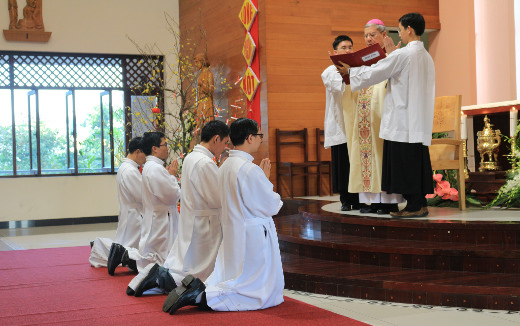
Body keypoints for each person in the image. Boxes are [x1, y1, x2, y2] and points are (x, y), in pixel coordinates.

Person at [162, 118, 284, 314]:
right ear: (250, 138)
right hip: (251, 232)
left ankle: (200, 291)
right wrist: (266, 181)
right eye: (259, 135)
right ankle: (201, 294)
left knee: (232, 274)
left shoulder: (227, 165)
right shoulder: (248, 169)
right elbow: (269, 204)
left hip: (232, 228)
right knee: (251, 286)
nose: (261, 139)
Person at [337, 12, 435, 218]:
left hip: (401, 119)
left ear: (409, 29)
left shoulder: (404, 54)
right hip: (417, 119)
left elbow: (376, 72)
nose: (400, 35)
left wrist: (350, 72)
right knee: (416, 161)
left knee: (405, 163)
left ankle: (413, 207)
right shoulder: (426, 56)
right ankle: (420, 203)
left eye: (400, 30)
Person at [126, 120, 230, 297]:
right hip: (206, 221)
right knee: (199, 270)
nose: (225, 147)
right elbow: (216, 198)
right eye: (225, 142)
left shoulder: (191, 157)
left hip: (193, 217)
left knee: (188, 262)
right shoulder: (205, 162)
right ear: (216, 139)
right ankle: (160, 277)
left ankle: (159, 276)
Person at [342, 19, 404, 215]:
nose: (368, 39)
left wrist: (392, 54)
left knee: (382, 155)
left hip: (383, 115)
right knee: (366, 156)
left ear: (384, 35)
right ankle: (370, 202)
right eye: (366, 35)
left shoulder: (393, 55)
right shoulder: (364, 58)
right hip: (365, 115)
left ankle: (388, 201)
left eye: (372, 35)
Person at [107, 131, 181, 274]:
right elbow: (172, 195)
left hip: (151, 213)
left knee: (152, 252)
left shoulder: (151, 167)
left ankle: (125, 255)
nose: (167, 148)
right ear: (155, 148)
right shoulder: (149, 168)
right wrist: (172, 177)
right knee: (156, 255)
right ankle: (125, 255)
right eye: (165, 145)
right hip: (154, 215)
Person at [89, 137, 146, 270]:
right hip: (134, 214)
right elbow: (141, 196)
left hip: (130, 212)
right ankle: (100, 246)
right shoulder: (130, 170)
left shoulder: (127, 167)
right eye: (145, 154)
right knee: (126, 250)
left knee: (124, 246)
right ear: (137, 151)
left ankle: (101, 247)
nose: (145, 158)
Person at [321, 35, 360, 211]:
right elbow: (340, 86)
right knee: (343, 164)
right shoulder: (329, 71)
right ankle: (346, 200)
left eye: (350, 47)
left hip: (357, 125)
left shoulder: (359, 69)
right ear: (335, 52)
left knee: (356, 164)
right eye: (343, 47)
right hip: (341, 125)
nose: (348, 50)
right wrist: (348, 73)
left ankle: (358, 199)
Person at [191, 53, 215, 146]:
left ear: (202, 62)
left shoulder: (209, 74)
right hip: (200, 102)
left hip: (207, 103)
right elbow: (197, 93)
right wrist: (196, 105)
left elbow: (211, 90)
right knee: (198, 125)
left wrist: (202, 84)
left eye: (197, 62)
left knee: (207, 124)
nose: (196, 64)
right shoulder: (200, 74)